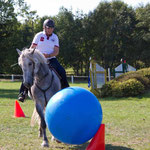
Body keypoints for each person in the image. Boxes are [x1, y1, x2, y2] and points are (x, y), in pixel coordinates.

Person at [18, 19, 69, 102]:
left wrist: (48, 55)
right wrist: (32, 55)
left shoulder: (55, 37)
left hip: (51, 59)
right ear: (44, 27)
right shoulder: (38, 35)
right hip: (38, 60)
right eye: (48, 28)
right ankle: (23, 93)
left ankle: (67, 91)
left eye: (52, 28)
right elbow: (32, 48)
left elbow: (56, 51)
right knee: (28, 72)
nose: (50, 29)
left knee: (62, 71)